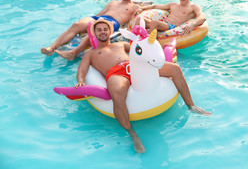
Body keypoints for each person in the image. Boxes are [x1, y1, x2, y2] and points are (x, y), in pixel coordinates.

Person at [76, 19, 211, 153]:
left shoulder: (121, 44)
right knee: (116, 93)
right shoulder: (91, 53)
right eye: (99, 30)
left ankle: (191, 106)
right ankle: (132, 133)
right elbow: (82, 69)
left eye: (105, 29)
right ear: (94, 33)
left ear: (110, 31)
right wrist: (81, 80)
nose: (102, 32)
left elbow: (141, 49)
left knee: (174, 69)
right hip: (116, 73)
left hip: (135, 66)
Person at [41, 0, 141, 61]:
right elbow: (99, 14)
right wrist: (90, 21)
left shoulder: (134, 7)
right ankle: (52, 48)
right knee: (76, 25)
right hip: (100, 18)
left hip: (113, 22)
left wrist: (148, 7)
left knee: (95, 31)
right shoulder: (113, 3)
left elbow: (151, 7)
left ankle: (73, 53)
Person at [136, 0, 206, 36]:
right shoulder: (173, 5)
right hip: (163, 24)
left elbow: (202, 17)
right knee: (139, 19)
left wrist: (193, 24)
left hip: (172, 27)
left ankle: (149, 44)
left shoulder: (193, 7)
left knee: (154, 22)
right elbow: (155, 6)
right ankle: (134, 40)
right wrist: (141, 9)